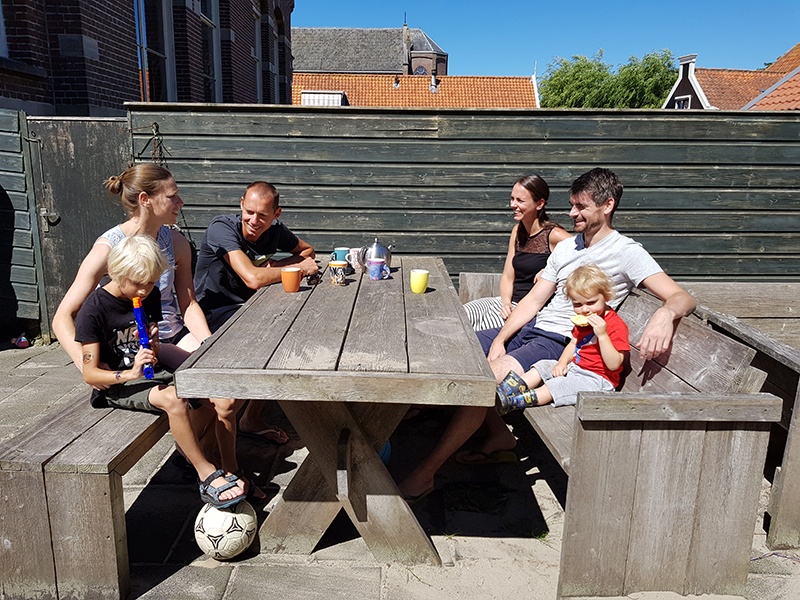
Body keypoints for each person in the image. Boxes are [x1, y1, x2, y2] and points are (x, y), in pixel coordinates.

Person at [397, 167, 696, 500]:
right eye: (571, 205)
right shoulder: (568, 249)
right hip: (530, 329)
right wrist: (499, 338)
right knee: (445, 352)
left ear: (607, 205)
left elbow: (681, 296)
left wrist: (665, 313)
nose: (571, 214)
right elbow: (535, 299)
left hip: (559, 343)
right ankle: (491, 435)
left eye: (581, 207)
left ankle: (426, 473)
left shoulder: (627, 252)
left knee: (485, 380)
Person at [52, 164, 262, 500]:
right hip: (130, 348)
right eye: (173, 195)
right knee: (210, 391)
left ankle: (195, 453)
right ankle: (204, 463)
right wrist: (93, 369)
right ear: (147, 200)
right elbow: (63, 315)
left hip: (170, 337)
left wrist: (209, 346)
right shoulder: (111, 247)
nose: (180, 202)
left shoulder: (175, 241)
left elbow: (188, 302)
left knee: (229, 386)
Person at [74, 235, 244, 508]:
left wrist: (153, 343)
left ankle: (201, 455)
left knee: (222, 398)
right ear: (117, 273)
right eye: (138, 284)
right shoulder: (93, 310)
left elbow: (152, 344)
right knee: (174, 398)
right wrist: (129, 374)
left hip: (152, 373)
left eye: (151, 282)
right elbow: (90, 374)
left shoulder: (147, 294)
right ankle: (205, 473)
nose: (144, 290)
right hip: (118, 384)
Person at [193, 181, 318, 442]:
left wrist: (280, 264)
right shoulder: (222, 228)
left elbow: (307, 252)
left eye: (262, 215)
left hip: (249, 307)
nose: (253, 220)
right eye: (248, 211)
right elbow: (252, 278)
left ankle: (251, 419)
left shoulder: (276, 231)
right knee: (275, 342)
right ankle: (211, 440)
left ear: (276, 214)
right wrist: (293, 269)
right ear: (241, 204)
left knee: (291, 331)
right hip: (212, 312)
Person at [495, 264, 629, 413]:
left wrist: (602, 335)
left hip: (597, 381)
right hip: (576, 369)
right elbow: (573, 344)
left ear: (606, 297)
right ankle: (503, 391)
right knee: (543, 365)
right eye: (577, 304)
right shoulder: (583, 321)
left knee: (557, 385)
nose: (584, 309)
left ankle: (511, 401)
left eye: (591, 303)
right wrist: (562, 362)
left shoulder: (615, 326)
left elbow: (614, 364)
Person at [463, 175, 571, 331]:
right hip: (505, 303)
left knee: (476, 332)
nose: (513, 204)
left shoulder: (555, 235)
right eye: (512, 199)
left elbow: (586, 255)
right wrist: (505, 303)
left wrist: (551, 269)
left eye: (520, 201)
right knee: (460, 315)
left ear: (539, 204)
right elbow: (508, 276)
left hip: (528, 312)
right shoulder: (517, 231)